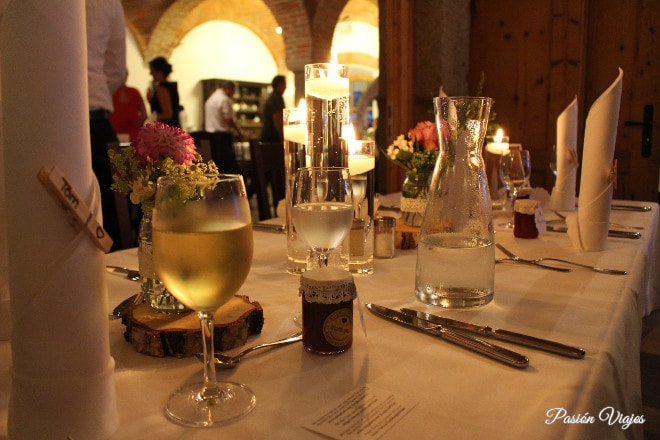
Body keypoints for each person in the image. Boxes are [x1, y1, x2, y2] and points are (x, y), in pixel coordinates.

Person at [86, 0, 126, 251]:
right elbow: (117, 71)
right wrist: (90, 91)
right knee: (110, 220)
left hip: (29, 122)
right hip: (95, 120)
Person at [204, 81, 243, 174]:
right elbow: (228, 119)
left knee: (217, 164)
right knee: (227, 165)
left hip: (210, 136)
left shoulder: (211, 98)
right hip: (222, 136)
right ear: (229, 89)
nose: (233, 94)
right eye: (233, 91)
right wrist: (239, 132)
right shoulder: (224, 99)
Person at [110, 71, 147, 142]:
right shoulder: (112, 92)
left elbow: (144, 116)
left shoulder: (134, 92)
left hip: (131, 133)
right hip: (116, 133)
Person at [146, 56, 181, 128]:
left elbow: (167, 114)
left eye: (152, 70)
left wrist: (150, 118)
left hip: (166, 130)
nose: (150, 73)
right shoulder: (171, 87)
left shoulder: (162, 89)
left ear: (159, 71)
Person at [260, 75, 287, 142]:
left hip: (266, 134)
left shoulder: (271, 97)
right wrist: (283, 137)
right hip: (273, 136)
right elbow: (277, 119)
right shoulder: (277, 98)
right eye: (284, 84)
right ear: (279, 85)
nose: (285, 87)